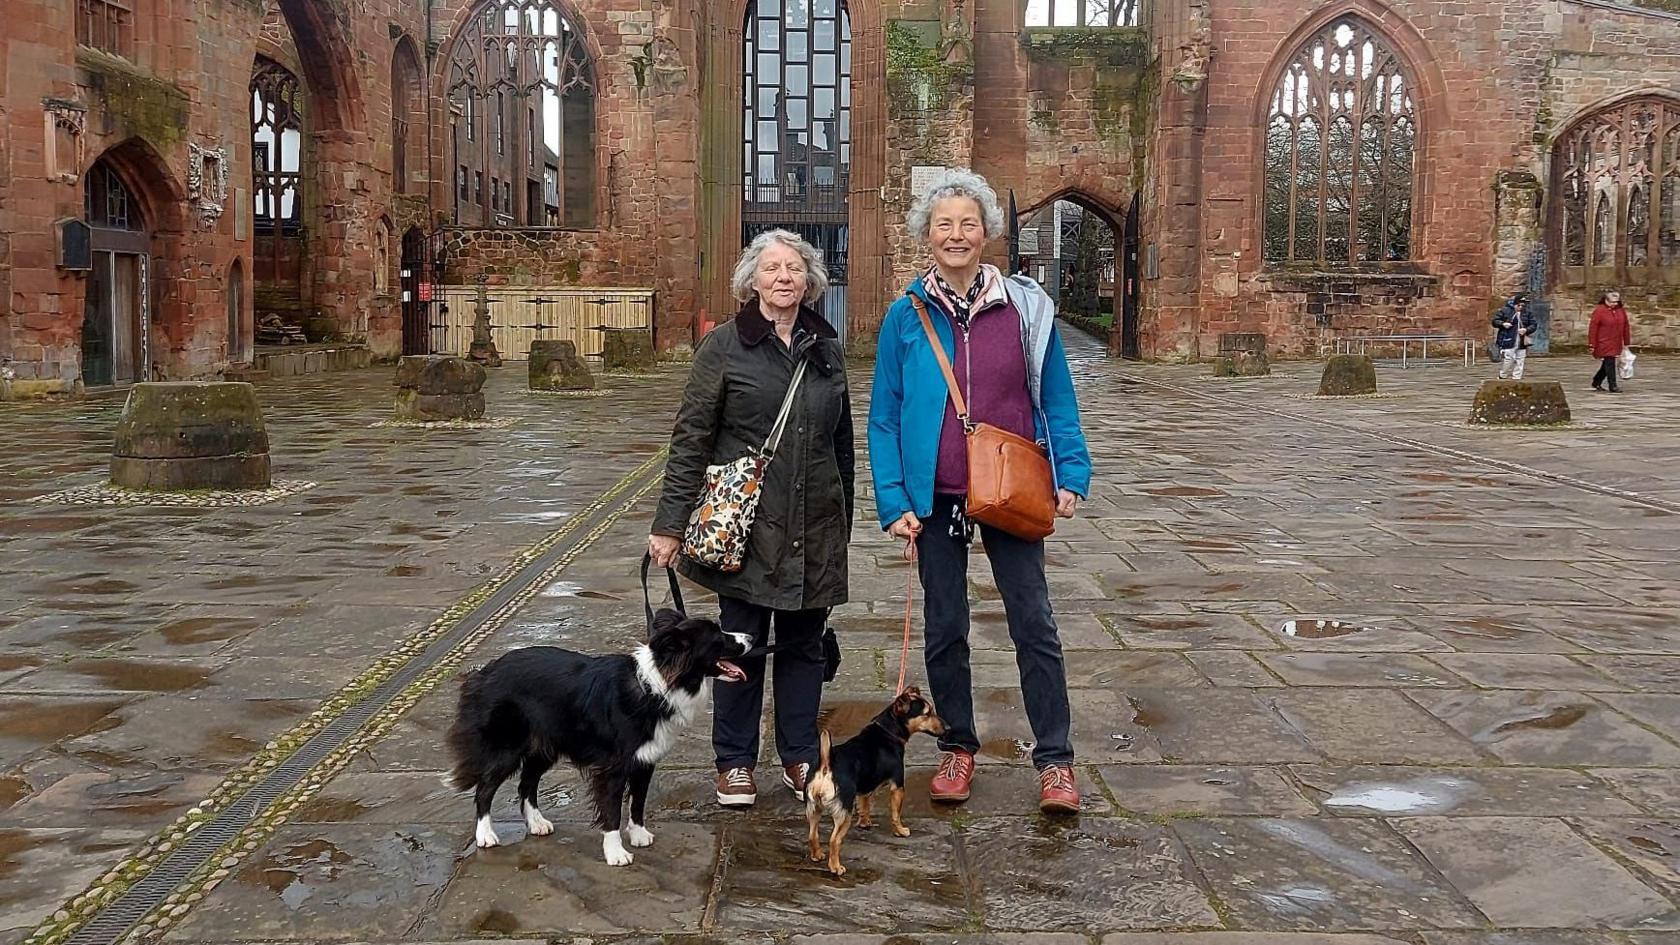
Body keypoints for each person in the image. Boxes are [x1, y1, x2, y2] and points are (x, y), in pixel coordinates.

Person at [867, 169, 1092, 815]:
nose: (957, 234)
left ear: (988, 230)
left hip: (1011, 487)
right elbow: (884, 414)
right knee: (946, 628)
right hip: (933, 495)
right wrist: (892, 498)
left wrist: (1070, 471)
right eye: (945, 224)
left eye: (969, 223)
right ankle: (957, 746)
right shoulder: (904, 317)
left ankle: (1055, 759)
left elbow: (1054, 398)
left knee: (1035, 624)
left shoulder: (1024, 310)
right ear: (927, 236)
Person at [649, 229, 854, 807]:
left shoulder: (827, 349)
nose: (783, 277)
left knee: (804, 647)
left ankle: (799, 757)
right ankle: (735, 762)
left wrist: (846, 521)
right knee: (736, 644)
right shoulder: (723, 346)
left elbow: (843, 444)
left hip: (814, 523)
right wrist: (669, 523)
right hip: (745, 526)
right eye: (772, 268)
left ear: (810, 281)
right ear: (752, 280)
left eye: (794, 268)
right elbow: (691, 438)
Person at [1588, 290, 1632, 393]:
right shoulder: (1599, 311)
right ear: (1605, 300)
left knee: (1607, 364)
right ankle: (1613, 385)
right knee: (1610, 362)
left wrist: (1626, 342)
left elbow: (1626, 326)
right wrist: (1592, 344)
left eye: (1616, 302)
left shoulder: (1621, 311)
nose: (1614, 304)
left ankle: (1596, 381)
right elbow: (1593, 328)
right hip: (1603, 341)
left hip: (1616, 341)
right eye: (1612, 302)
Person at [1492, 292, 1537, 380]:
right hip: (1508, 338)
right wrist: (1503, 324)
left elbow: (1533, 324)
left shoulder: (1527, 313)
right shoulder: (1505, 311)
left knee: (1520, 359)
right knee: (1509, 358)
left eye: (1522, 306)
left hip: (1522, 340)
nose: (1520, 307)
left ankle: (1517, 377)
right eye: (1519, 305)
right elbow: (1495, 321)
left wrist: (1526, 330)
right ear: (1515, 304)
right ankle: (1503, 375)